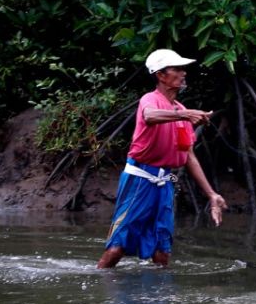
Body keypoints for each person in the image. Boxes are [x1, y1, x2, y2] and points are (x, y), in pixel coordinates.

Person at [97, 49, 227, 269]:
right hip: (139, 180)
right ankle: (100, 284)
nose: (183, 73)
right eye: (177, 69)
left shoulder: (181, 109)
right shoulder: (151, 100)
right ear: (160, 75)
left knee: (162, 251)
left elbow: (188, 156)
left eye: (182, 69)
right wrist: (185, 115)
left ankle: (159, 298)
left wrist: (211, 194)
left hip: (164, 183)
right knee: (117, 248)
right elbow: (149, 116)